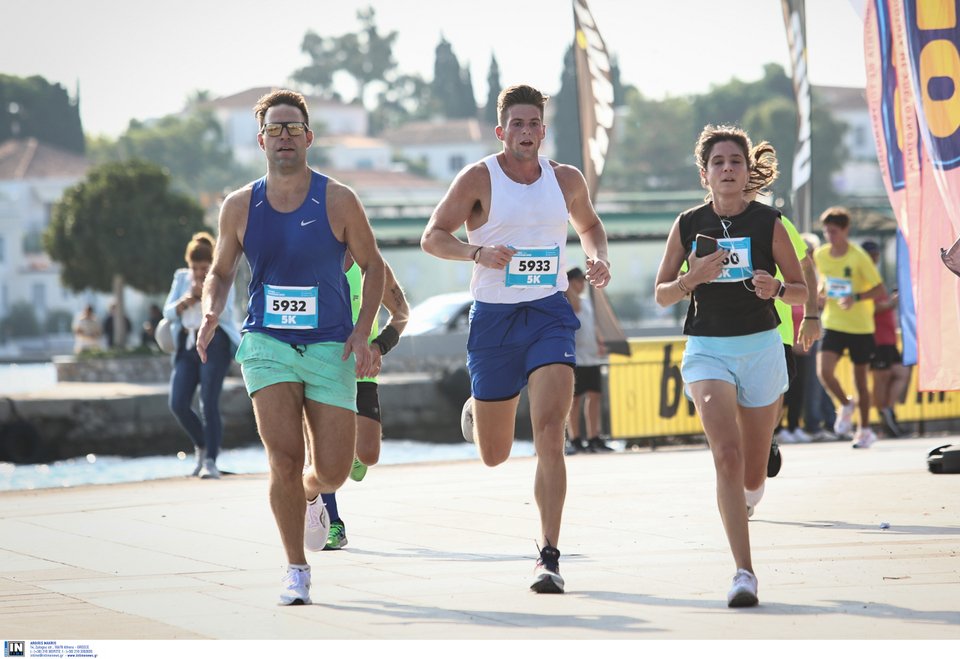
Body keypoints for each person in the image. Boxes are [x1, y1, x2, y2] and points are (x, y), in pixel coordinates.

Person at [196, 89, 385, 606]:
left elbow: (374, 268)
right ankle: (295, 570)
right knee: (282, 457)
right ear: (261, 139)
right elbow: (220, 270)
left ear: (309, 136)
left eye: (293, 128)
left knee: (333, 470)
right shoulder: (240, 205)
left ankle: (312, 494)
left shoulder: (339, 199)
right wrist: (212, 311)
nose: (284, 136)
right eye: (275, 129)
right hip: (267, 343)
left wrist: (362, 331)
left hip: (330, 347)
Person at [421, 84, 611, 595]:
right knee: (494, 453)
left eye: (534, 124)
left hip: (549, 314)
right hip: (494, 321)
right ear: (501, 131)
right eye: (517, 125)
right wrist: (475, 254)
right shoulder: (478, 177)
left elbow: (590, 224)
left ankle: (548, 555)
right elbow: (433, 235)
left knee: (551, 431)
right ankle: (478, 408)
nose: (527, 133)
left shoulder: (565, 178)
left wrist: (597, 256)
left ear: (543, 131)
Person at [654, 125, 807, 607]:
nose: (726, 169)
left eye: (735, 162)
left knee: (752, 470)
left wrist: (777, 290)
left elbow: (802, 288)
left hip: (761, 346)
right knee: (726, 454)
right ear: (705, 173)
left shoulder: (770, 223)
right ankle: (744, 572)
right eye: (717, 162)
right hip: (707, 349)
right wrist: (691, 279)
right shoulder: (686, 224)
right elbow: (660, 294)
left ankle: (752, 494)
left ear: (746, 173)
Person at [319, 254, 409, 550]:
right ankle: (333, 522)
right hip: (321, 368)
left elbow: (402, 314)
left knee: (368, 455)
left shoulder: (374, 266)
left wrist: (378, 347)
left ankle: (352, 454)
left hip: (361, 371)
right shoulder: (314, 256)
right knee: (321, 453)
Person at [163, 232, 241, 479]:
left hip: (214, 343)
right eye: (194, 268)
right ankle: (202, 444)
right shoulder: (181, 279)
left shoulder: (223, 277)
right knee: (178, 402)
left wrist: (207, 300)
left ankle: (210, 461)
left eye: (204, 268)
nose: (198, 273)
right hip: (187, 344)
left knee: (209, 401)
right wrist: (186, 301)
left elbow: (227, 314)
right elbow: (168, 312)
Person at [812, 208, 885, 449]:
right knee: (824, 372)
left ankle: (864, 431)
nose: (829, 235)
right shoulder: (821, 255)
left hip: (860, 327)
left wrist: (856, 296)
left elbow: (879, 290)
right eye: (826, 231)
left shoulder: (859, 257)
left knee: (861, 383)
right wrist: (822, 294)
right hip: (833, 322)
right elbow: (824, 282)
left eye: (834, 231)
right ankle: (845, 404)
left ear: (845, 230)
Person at [861, 240, 911, 438]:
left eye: (876, 254)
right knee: (880, 380)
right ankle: (884, 417)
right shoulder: (864, 278)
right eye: (871, 254)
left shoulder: (875, 275)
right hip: (876, 337)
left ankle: (887, 410)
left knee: (901, 373)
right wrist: (892, 303)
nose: (875, 257)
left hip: (888, 337)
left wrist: (891, 301)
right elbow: (869, 308)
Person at [563, 266, 612, 454]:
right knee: (575, 401)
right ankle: (575, 438)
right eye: (578, 281)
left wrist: (600, 341)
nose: (582, 284)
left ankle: (594, 436)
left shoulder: (587, 301)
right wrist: (565, 282)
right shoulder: (568, 300)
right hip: (576, 358)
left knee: (595, 397)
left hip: (591, 358)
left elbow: (593, 323)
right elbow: (575, 306)